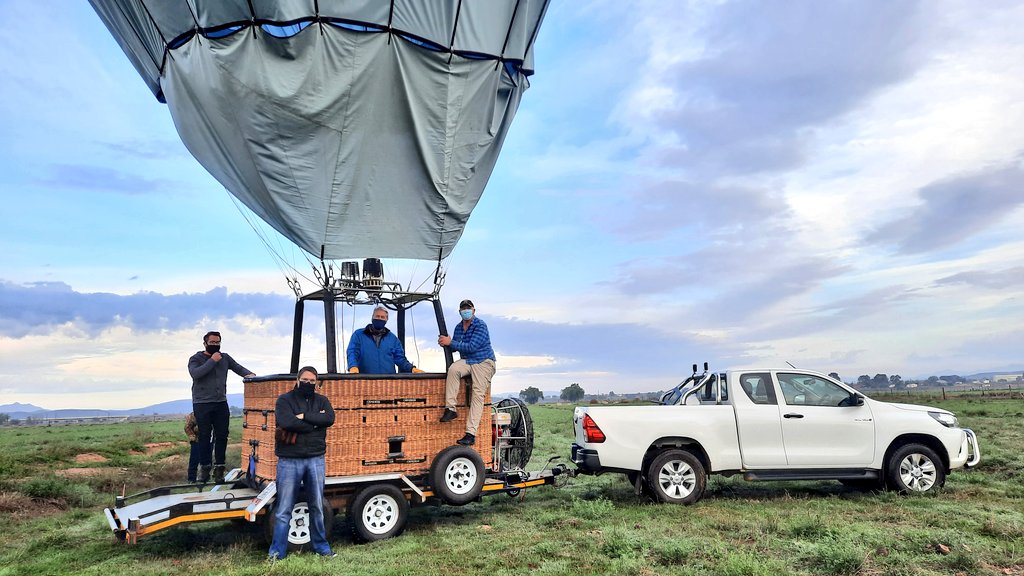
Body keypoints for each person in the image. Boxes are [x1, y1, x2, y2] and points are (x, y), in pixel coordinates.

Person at [268, 366, 336, 560]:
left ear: (316, 383)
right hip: (289, 460)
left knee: (317, 507)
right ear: (297, 380)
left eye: (312, 381)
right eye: (305, 380)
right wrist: (316, 424)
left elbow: (330, 418)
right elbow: (286, 422)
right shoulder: (284, 400)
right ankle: (276, 553)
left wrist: (305, 417)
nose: (308, 383)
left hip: (316, 458)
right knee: (283, 510)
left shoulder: (322, 400)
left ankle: (322, 548)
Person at [187, 331, 255, 484]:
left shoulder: (225, 357)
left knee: (222, 435)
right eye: (212, 342)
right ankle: (204, 470)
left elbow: (238, 368)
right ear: (205, 343)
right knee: (204, 436)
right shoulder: (196, 358)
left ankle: (219, 469)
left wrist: (251, 375)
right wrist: (212, 360)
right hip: (202, 403)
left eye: (218, 342)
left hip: (220, 402)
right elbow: (196, 374)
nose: (215, 345)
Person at [437, 299, 496, 446]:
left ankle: (471, 433)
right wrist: (445, 343)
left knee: (477, 395)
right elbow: (456, 346)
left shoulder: (480, 325)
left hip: (483, 361)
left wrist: (450, 342)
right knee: (453, 370)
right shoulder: (458, 327)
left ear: (474, 310)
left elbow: (471, 347)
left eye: (468, 308)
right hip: (468, 361)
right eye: (463, 309)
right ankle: (450, 408)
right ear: (459, 312)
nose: (466, 311)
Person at [346, 306, 424, 374]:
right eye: (377, 316)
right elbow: (352, 352)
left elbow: (400, 359)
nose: (379, 318)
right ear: (372, 317)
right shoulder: (359, 335)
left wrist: (412, 368)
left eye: (382, 317)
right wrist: (353, 366)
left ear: (386, 320)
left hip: (388, 382)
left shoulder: (393, 339)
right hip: (365, 381)